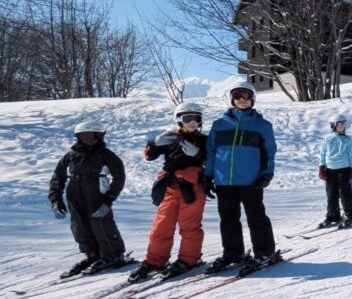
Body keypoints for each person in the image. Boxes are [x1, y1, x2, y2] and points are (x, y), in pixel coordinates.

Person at [203, 81, 279, 274]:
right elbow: (211, 152)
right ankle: (233, 253)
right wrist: (208, 175)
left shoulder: (262, 125)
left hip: (250, 181)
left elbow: (269, 152)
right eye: (237, 96)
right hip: (224, 181)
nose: (242, 100)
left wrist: (266, 174)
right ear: (232, 99)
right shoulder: (219, 125)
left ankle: (265, 252)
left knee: (256, 217)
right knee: (228, 219)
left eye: (245, 96)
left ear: (252, 99)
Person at [129, 103, 210, 281]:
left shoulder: (205, 140)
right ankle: (155, 260)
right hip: (170, 187)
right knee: (161, 226)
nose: (193, 122)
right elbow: (150, 156)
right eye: (188, 119)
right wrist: (154, 143)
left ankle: (189, 259)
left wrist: (199, 156)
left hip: (193, 188)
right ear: (179, 119)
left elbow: (214, 161)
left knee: (189, 226)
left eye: (197, 119)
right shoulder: (171, 137)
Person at [48, 121, 128, 277]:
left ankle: (113, 255)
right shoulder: (71, 155)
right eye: (83, 136)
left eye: (92, 136)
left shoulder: (106, 155)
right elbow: (58, 177)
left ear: (99, 136)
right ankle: (92, 254)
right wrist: (56, 200)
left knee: (100, 223)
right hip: (75, 191)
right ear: (78, 137)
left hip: (96, 191)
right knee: (79, 225)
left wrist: (109, 199)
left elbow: (119, 176)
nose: (88, 139)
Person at [318, 113, 352, 229]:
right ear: (333, 125)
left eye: (344, 124)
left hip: (344, 170)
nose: (342, 126)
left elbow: (351, 156)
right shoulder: (327, 139)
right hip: (330, 170)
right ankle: (333, 215)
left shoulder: (348, 140)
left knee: (345, 193)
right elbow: (322, 154)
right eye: (339, 124)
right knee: (331, 193)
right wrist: (321, 168)